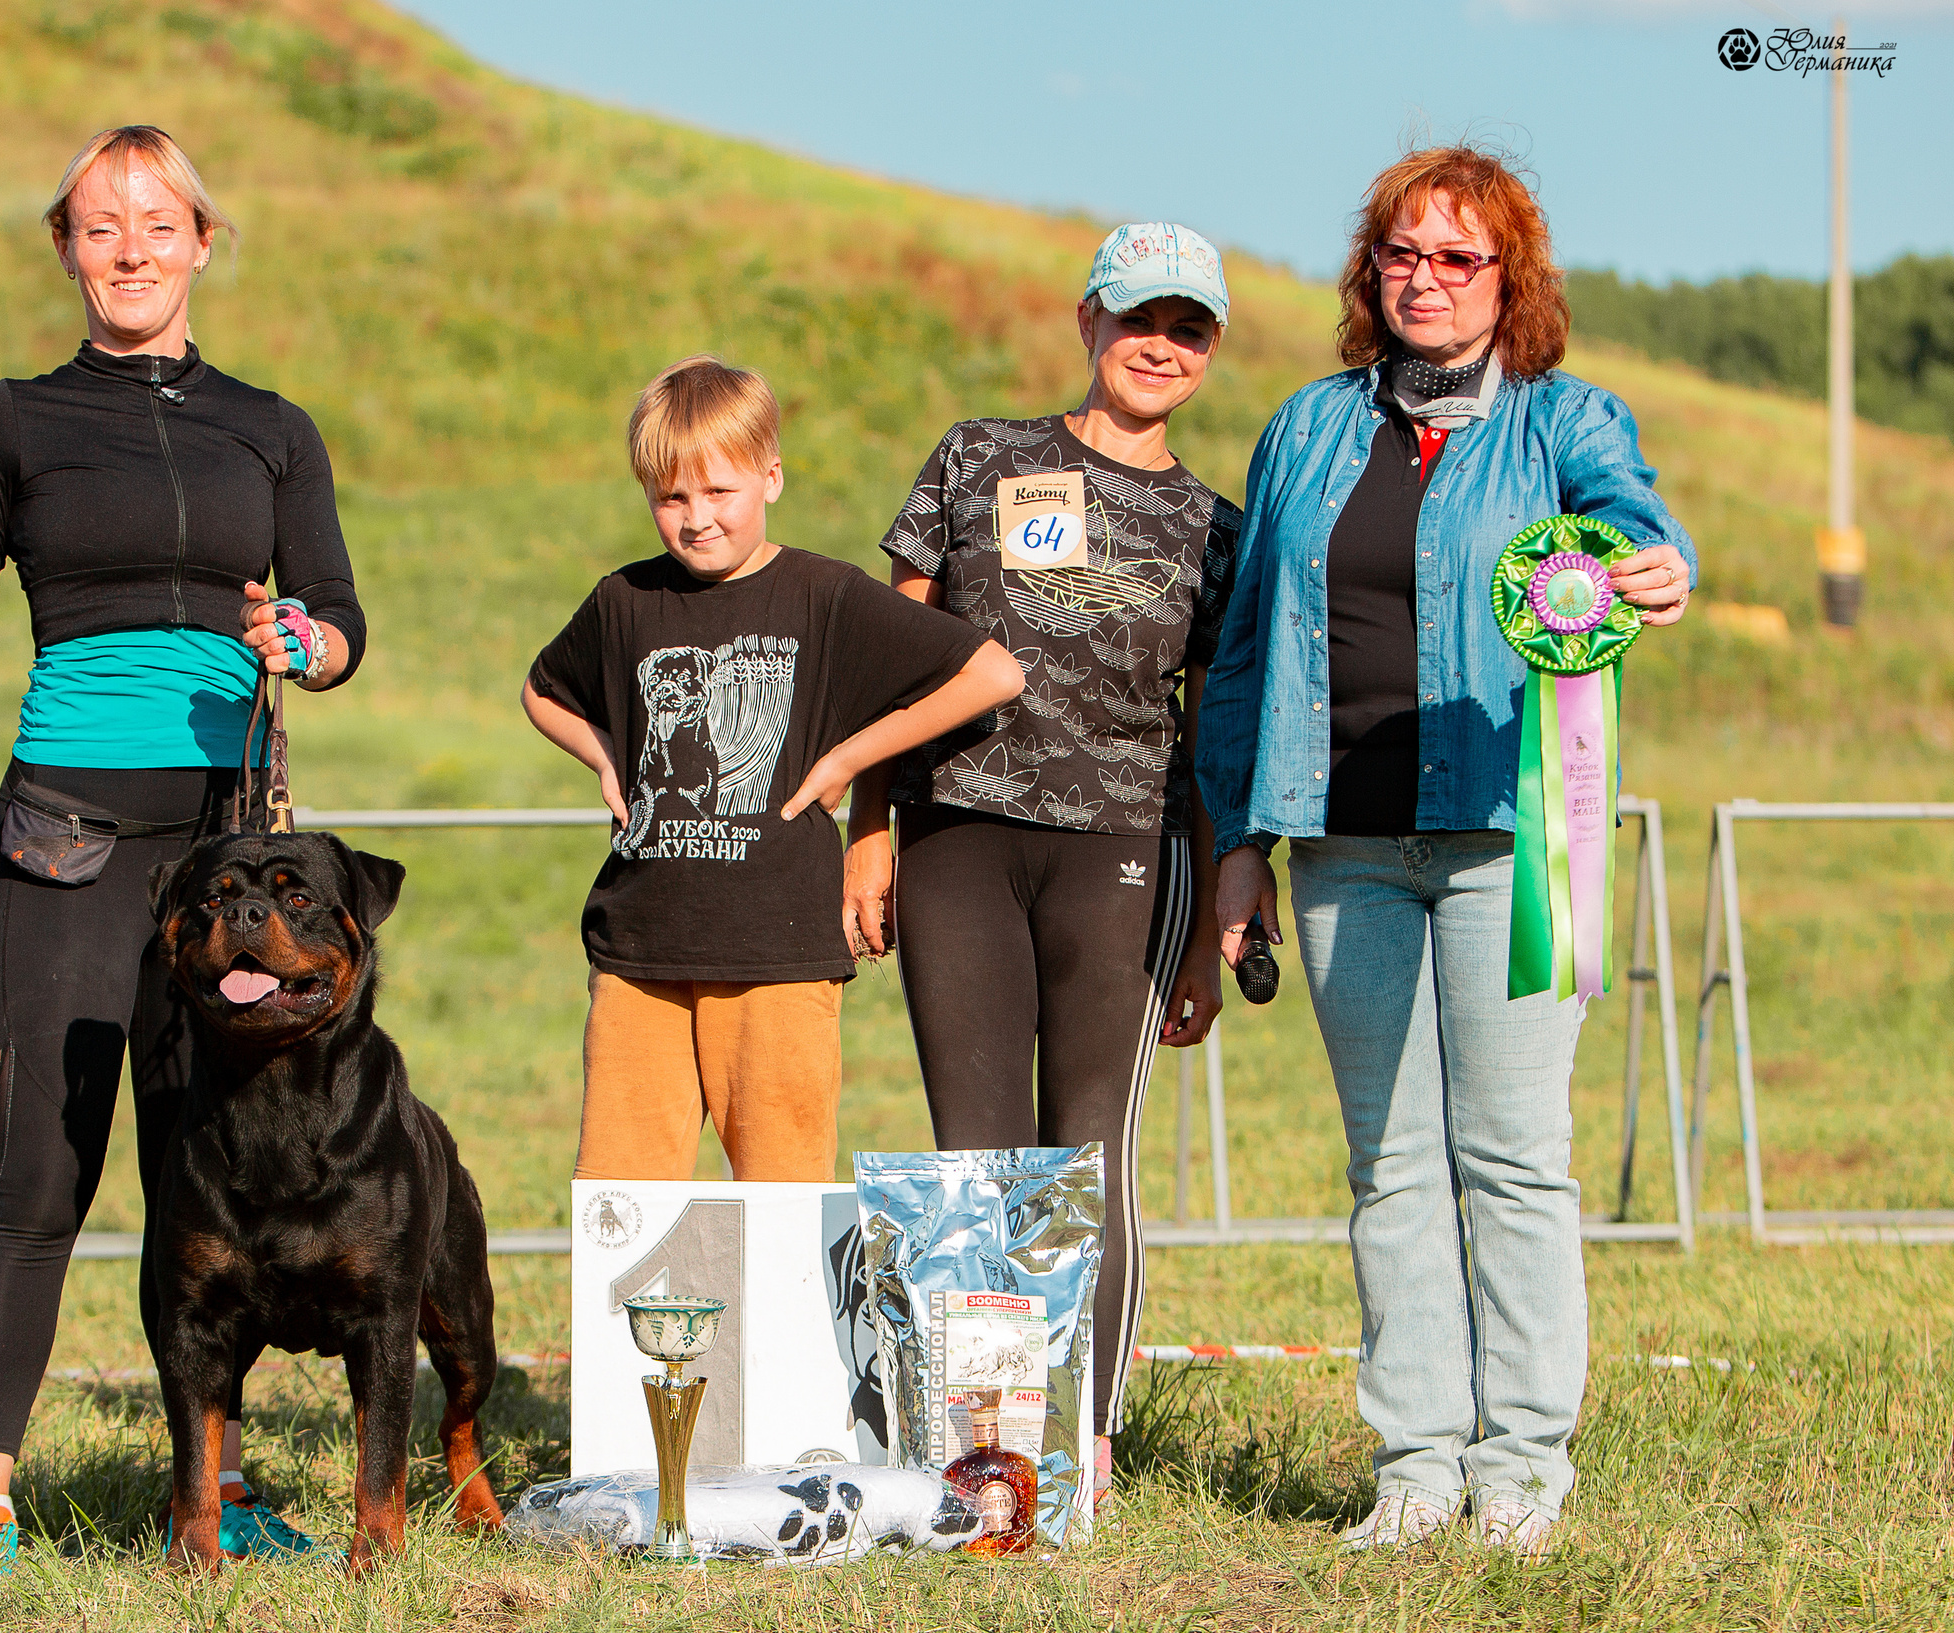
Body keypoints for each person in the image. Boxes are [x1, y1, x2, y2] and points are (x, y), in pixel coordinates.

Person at [1196, 146, 1695, 1555]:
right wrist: (1240, 844)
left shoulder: (1563, 421)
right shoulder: (1304, 428)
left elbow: (1642, 527)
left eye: (1458, 258)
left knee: (1515, 1157)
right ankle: (1414, 1465)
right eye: (1403, 255)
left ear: (1508, 280)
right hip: (1342, 846)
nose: (1426, 279)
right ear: (1373, 274)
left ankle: (1522, 1471)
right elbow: (1239, 655)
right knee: (1392, 1166)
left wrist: (1660, 565)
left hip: (1510, 841)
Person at [0, 125, 367, 1574]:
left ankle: (206, 1493)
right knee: (40, 1173)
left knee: (204, 1188)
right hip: (68, 842)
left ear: (204, 240)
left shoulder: (273, 426)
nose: (135, 246)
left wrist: (312, 640)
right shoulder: (9, 422)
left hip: (226, 862)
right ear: (66, 246)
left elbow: (340, 613)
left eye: (160, 221)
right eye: (104, 225)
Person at [847, 222, 1243, 1493]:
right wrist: (866, 830)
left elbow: (1212, 739)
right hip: (955, 836)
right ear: (1088, 322)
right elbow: (885, 659)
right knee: (977, 1152)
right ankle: (981, 1441)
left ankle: (1085, 1437)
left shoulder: (1213, 526)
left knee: (1086, 1153)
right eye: (1139, 320)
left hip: (1124, 854)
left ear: (1211, 350)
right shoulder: (980, 457)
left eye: (1186, 329)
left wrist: (1204, 925)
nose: (1158, 347)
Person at [523, 356, 1023, 1182]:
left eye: (720, 492)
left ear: (771, 477)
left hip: (781, 955)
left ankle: (781, 1323)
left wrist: (847, 757)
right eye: (671, 498)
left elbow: (993, 674)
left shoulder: (826, 594)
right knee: (622, 1202)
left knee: (782, 1200)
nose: (697, 519)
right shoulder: (623, 599)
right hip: (636, 953)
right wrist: (606, 758)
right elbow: (542, 692)